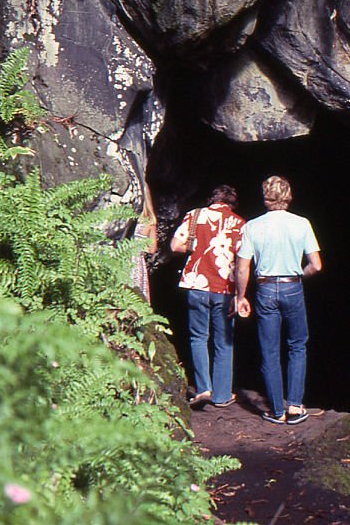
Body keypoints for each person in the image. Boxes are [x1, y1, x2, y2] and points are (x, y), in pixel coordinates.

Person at [235, 176, 322, 425]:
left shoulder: (253, 226)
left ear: (265, 197)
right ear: (289, 196)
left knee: (270, 350)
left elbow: (243, 267)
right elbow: (316, 265)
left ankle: (276, 410)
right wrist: (298, 278)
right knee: (297, 345)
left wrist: (240, 296)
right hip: (292, 286)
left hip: (264, 289)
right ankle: (295, 406)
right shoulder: (302, 223)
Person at [171, 185, 245, 408]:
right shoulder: (240, 223)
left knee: (198, 337)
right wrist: (241, 294)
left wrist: (195, 250)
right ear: (232, 203)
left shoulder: (194, 216)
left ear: (211, 199)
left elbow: (175, 246)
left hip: (196, 284)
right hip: (223, 287)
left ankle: (204, 389)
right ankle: (222, 396)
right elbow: (243, 261)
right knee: (224, 342)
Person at [130, 186, 157, 303]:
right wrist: (140, 246)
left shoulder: (130, 217)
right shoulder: (150, 221)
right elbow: (152, 249)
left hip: (124, 256)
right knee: (138, 297)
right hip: (137, 260)